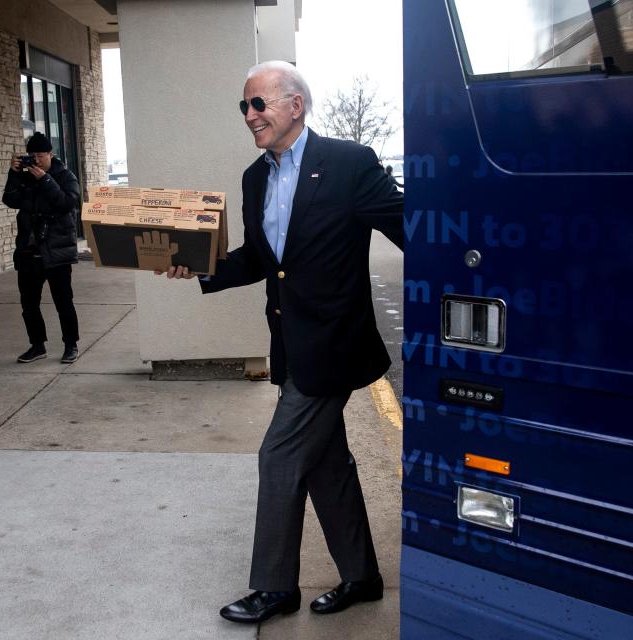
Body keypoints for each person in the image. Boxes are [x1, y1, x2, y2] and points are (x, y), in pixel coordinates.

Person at [160, 60, 403, 624]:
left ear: (295, 105)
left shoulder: (348, 163)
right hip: (291, 344)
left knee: (280, 454)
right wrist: (197, 268)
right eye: (244, 106)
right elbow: (263, 259)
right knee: (327, 464)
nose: (249, 116)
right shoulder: (255, 178)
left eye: (259, 103)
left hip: (335, 346)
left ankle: (275, 587)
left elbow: (410, 223)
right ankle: (362, 577)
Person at [1, 132, 81, 365]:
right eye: (31, 155)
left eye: (40, 155)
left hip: (56, 251)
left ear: (50, 154)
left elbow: (68, 203)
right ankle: (37, 345)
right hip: (28, 250)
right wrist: (14, 174)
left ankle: (71, 345)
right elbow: (10, 200)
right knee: (29, 304)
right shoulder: (24, 177)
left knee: (63, 302)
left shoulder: (65, 176)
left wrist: (46, 179)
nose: (35, 160)